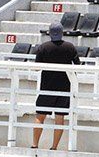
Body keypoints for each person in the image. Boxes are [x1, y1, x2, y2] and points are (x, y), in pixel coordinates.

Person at [32, 22, 81, 150]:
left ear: (49, 33)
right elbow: (77, 66)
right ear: (62, 33)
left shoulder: (43, 47)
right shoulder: (70, 47)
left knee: (40, 116)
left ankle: (35, 144)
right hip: (64, 88)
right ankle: (54, 147)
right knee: (60, 118)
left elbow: (37, 68)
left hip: (47, 87)